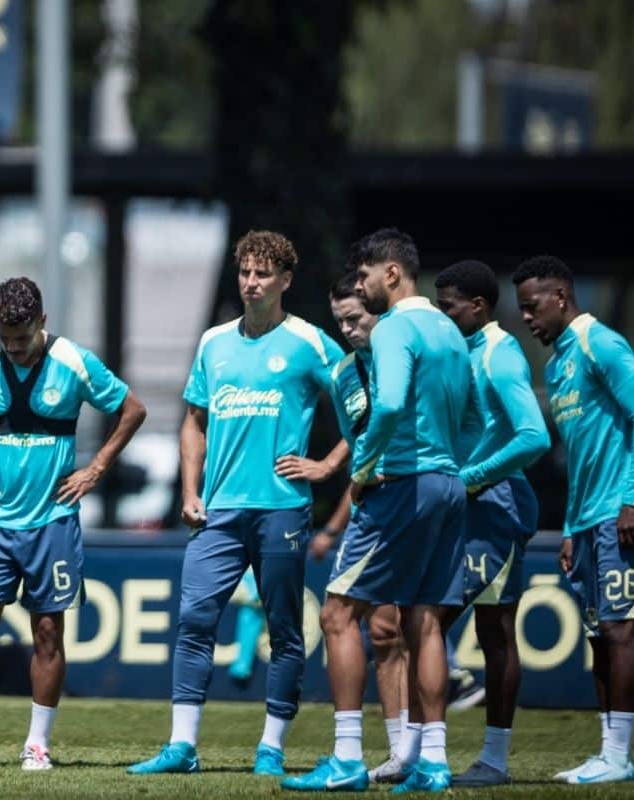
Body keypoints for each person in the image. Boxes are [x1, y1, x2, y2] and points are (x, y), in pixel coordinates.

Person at [131, 231, 343, 778]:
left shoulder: (311, 343)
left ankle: (271, 747)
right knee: (195, 619)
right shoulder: (213, 342)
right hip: (219, 512)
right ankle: (182, 747)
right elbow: (193, 421)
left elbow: (365, 412)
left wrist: (325, 465)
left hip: (283, 509)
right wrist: (189, 492)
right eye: (245, 272)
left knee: (284, 629)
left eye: (262, 274)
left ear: (285, 281)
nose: (251, 282)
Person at [0, 276, 145, 772]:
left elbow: (133, 409)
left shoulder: (74, 361)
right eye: (6, 338)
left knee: (47, 631)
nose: (15, 348)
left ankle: (37, 745)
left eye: (23, 338)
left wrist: (95, 469)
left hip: (53, 520)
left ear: (42, 322)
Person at [285, 228, 470, 793]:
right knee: (424, 619)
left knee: (338, 614)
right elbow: (468, 411)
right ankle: (431, 760)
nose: (362, 292)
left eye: (365, 278)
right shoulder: (451, 330)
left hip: (401, 486)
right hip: (448, 482)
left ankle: (345, 758)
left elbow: (388, 404)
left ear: (391, 274)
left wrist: (362, 469)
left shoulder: (395, 327)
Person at [514, 255, 634, 785]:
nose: (528, 319)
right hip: (587, 519)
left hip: (624, 511)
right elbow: (581, 453)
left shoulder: (601, 343)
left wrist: (633, 500)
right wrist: (573, 527)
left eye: (532, 308)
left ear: (560, 296)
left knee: (620, 629)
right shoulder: (556, 365)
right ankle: (608, 753)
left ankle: (620, 756)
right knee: (599, 633)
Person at [433, 259, 551, 787]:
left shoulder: (501, 354)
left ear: (477, 306)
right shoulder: (467, 349)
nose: (442, 315)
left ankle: (493, 760)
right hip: (465, 509)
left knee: (483, 630)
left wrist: (472, 478)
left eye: (448, 306)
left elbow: (533, 436)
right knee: (436, 626)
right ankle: (419, 753)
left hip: (495, 510)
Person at [303, 272, 410, 783]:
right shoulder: (344, 374)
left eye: (355, 318)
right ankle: (403, 752)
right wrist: (334, 466)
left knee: (342, 616)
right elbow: (361, 443)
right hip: (374, 503)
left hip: (409, 496)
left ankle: (350, 753)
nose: (347, 328)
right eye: (340, 320)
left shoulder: (402, 353)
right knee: (387, 629)